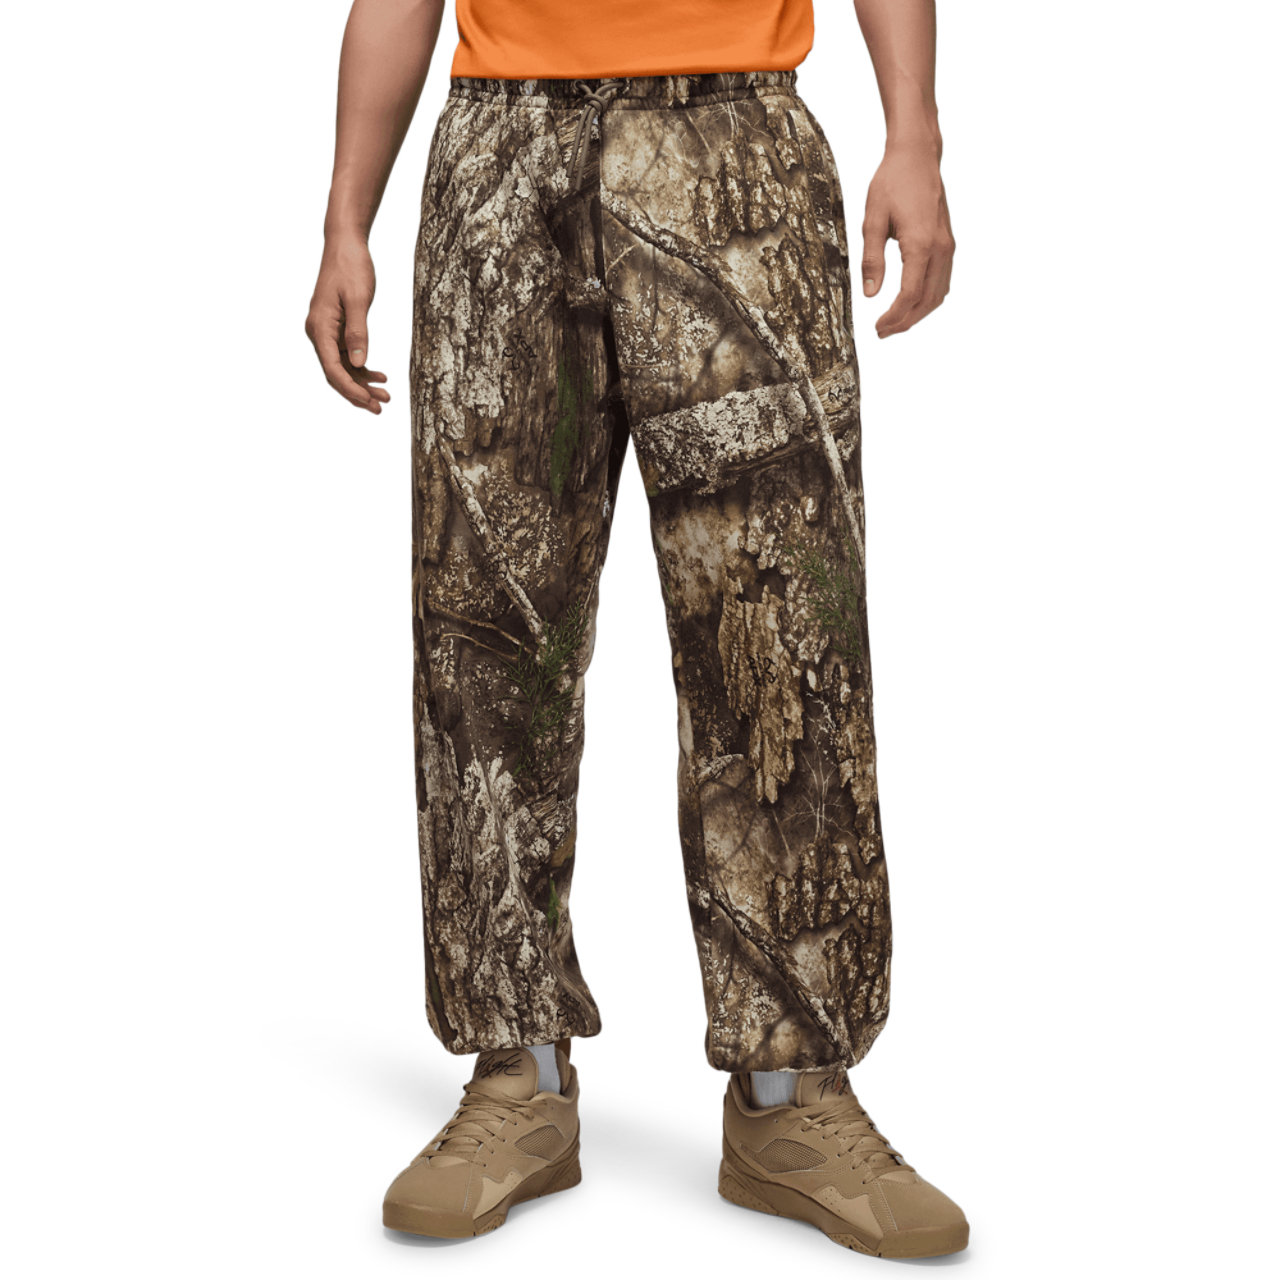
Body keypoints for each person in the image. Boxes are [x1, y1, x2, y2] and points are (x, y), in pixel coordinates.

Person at [304, 0, 962, 1259]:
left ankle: (790, 1090)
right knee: (487, 635)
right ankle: (517, 1071)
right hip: (503, 155)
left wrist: (914, 135)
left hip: (735, 145)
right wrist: (345, 216)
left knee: (778, 624)